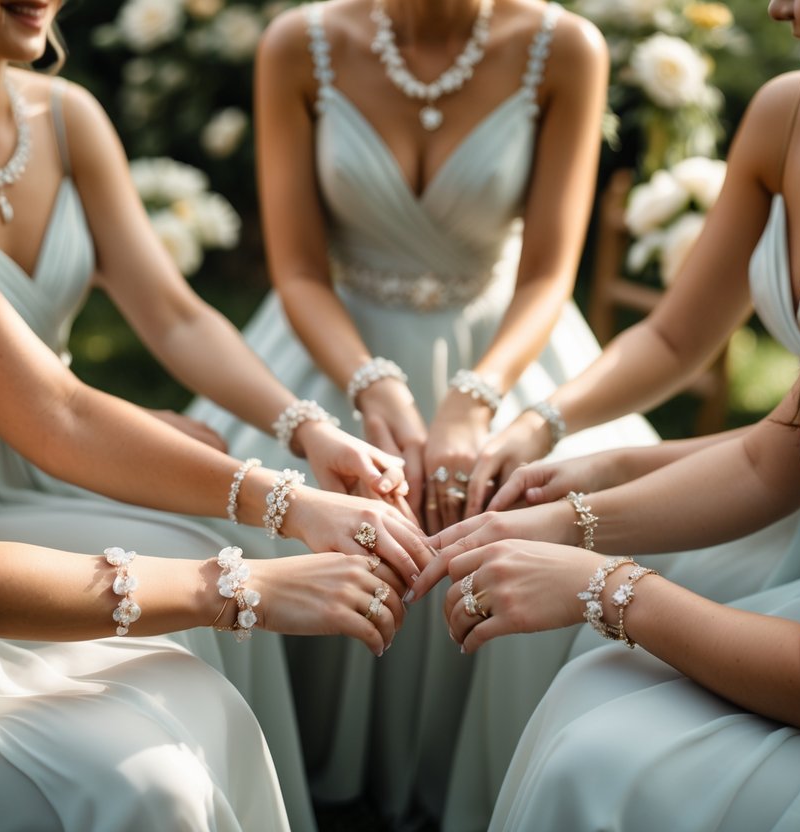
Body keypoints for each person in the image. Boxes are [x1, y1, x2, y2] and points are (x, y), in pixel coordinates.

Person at [0, 0, 429, 826]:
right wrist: (239, 586)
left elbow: (58, 407)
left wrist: (292, 500)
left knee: (191, 696)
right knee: (146, 779)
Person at [417, 0, 800, 826]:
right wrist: (566, 513)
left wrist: (599, 582)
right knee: (594, 690)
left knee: (596, 756)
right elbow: (776, 450)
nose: (776, 7)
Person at [182, 0, 658, 820]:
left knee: (541, 514)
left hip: (503, 347)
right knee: (257, 515)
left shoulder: (563, 49)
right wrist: (369, 383)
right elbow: (298, 270)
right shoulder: (299, 44)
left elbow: (549, 273)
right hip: (333, 345)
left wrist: (477, 397)